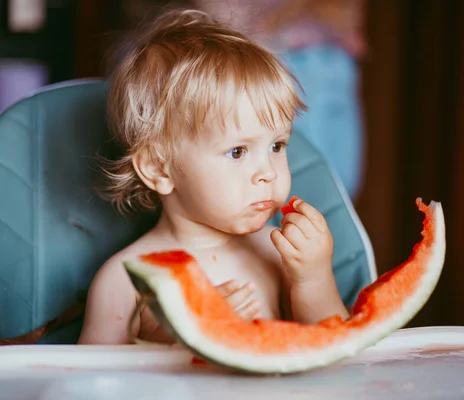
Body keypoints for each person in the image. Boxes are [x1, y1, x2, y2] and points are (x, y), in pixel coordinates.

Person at [78, 9, 349, 345]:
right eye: (237, 152)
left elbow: (334, 345)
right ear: (158, 168)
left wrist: (313, 278)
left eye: (278, 145)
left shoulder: (276, 250)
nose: (268, 172)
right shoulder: (126, 278)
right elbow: (91, 382)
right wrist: (183, 338)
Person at [192, 0, 367, 200]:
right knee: (301, 182)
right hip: (265, 53)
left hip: (327, 52)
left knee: (337, 184)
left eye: (278, 147)